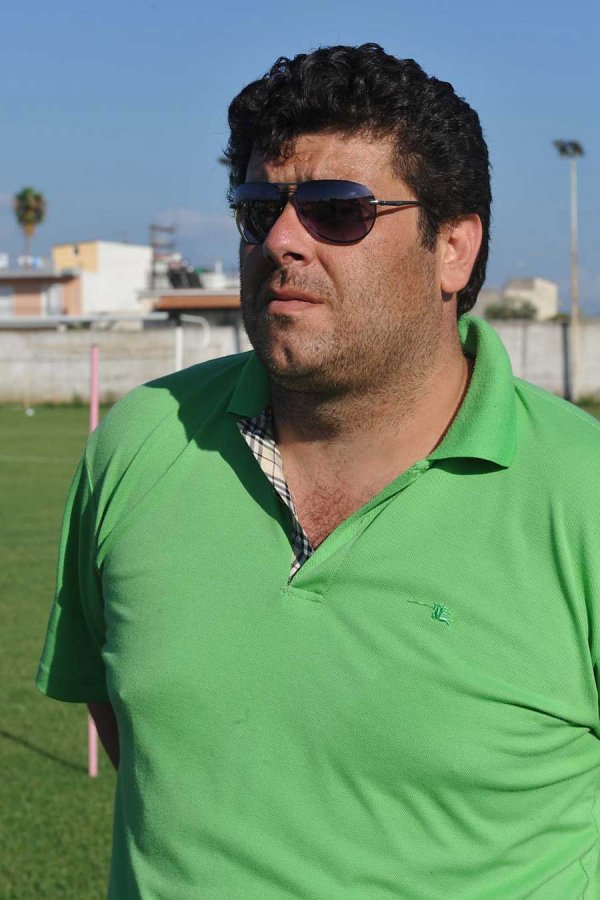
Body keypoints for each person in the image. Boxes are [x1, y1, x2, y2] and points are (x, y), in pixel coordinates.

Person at [36, 43, 600, 898]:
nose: (281, 240)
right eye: (258, 209)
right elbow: (144, 741)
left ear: (453, 248)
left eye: (338, 211)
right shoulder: (141, 443)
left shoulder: (581, 493)